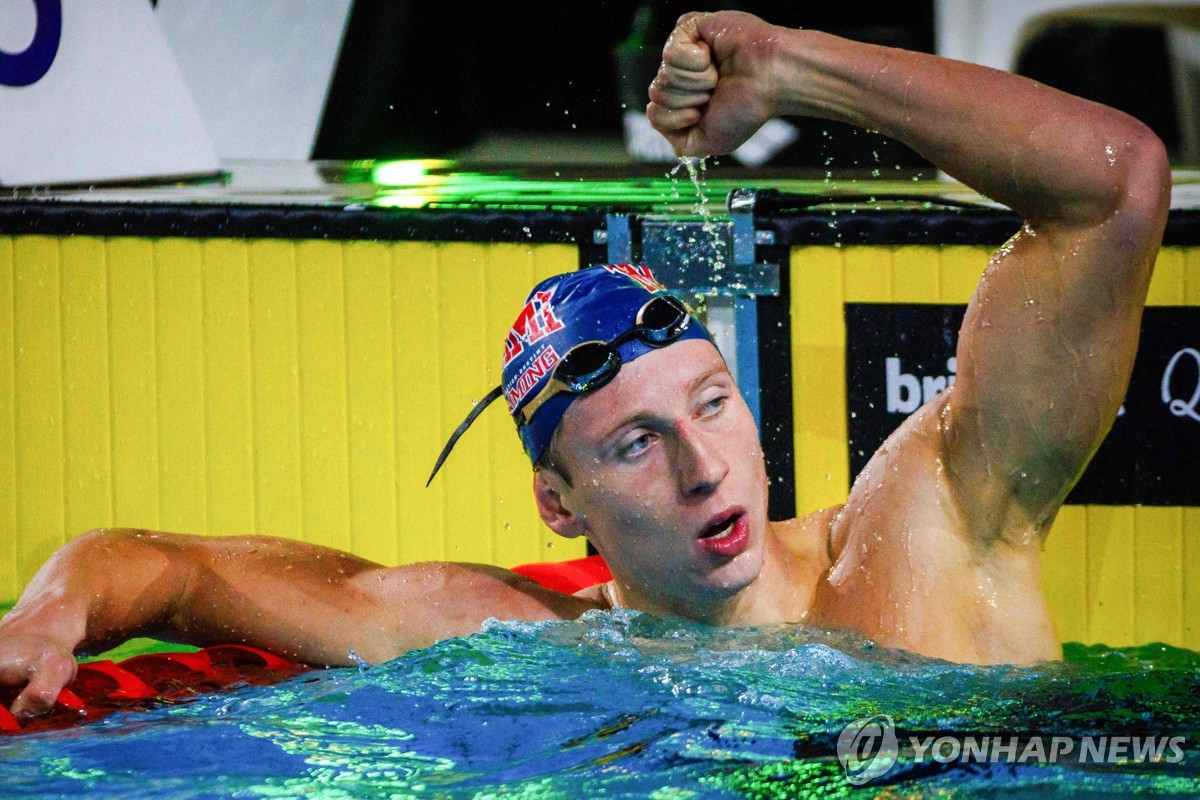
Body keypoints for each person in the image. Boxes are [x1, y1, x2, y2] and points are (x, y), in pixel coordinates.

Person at [0, 10, 1170, 720]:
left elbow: (1112, 185)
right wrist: (55, 608)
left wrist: (795, 70)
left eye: (710, 404)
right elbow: (168, 567)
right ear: (558, 502)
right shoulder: (517, 633)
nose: (704, 467)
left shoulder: (936, 521)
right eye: (633, 443)